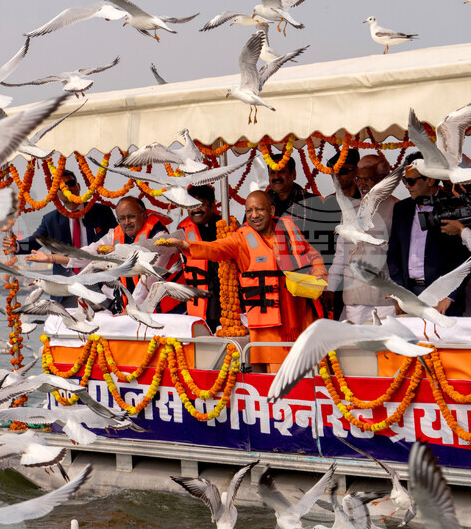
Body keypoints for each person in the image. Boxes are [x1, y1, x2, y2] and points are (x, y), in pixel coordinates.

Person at [159, 191, 327, 373]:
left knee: (310, 375)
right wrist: (184, 245)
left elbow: (311, 255)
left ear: (271, 210)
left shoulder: (287, 228)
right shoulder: (242, 238)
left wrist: (319, 274)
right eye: (249, 211)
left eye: (259, 209)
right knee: (277, 379)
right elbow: (216, 248)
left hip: (301, 317)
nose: (254, 215)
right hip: (268, 327)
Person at [27, 195, 174, 309]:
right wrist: (51, 258)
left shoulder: (161, 239)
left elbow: (148, 281)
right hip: (128, 307)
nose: (126, 222)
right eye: (121, 218)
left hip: (163, 309)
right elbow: (87, 253)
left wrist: (131, 309)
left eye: (131, 216)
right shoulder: (113, 235)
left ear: (144, 214)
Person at [4, 170, 117, 304]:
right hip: (66, 288)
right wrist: (16, 246)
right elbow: (36, 241)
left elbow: (117, 239)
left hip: (100, 283)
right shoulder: (51, 220)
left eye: (71, 183)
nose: (67, 189)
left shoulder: (101, 212)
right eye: (61, 187)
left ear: (79, 186)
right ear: (56, 193)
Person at [386, 153, 470, 316]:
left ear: (430, 180)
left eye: (411, 181)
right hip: (410, 295)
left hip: (443, 300)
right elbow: (393, 255)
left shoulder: (456, 205)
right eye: (405, 181)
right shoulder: (401, 209)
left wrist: (448, 297)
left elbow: (466, 258)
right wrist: (399, 294)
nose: (407, 186)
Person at [326, 155, 398, 324]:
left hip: (386, 297)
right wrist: (330, 287)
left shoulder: (398, 208)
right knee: (357, 347)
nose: (362, 183)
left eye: (368, 179)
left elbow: (401, 258)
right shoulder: (351, 208)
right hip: (355, 296)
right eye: (359, 178)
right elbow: (341, 253)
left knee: (387, 346)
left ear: (383, 179)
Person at [172, 185, 223, 331]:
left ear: (213, 205)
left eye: (201, 205)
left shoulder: (227, 226)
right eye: (191, 206)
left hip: (226, 303)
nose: (196, 210)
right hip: (196, 307)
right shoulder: (182, 231)